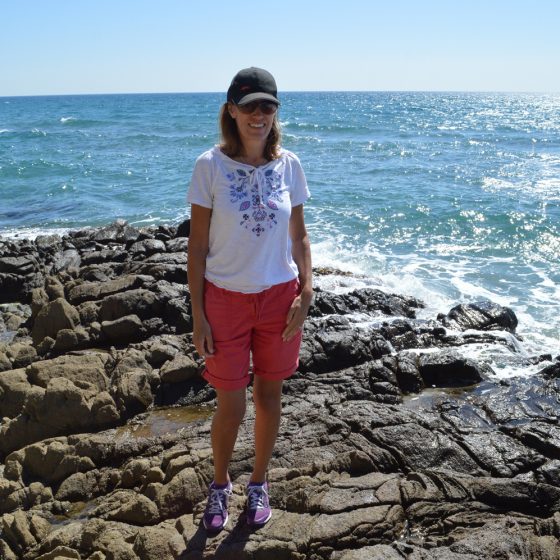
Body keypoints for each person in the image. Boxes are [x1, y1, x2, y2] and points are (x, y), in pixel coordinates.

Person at [187, 67, 312, 531]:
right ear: (231, 111)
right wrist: (198, 314)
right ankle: (220, 487)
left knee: (269, 396)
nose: (259, 115)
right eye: (250, 106)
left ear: (275, 112)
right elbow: (196, 247)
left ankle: (258, 483)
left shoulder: (290, 165)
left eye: (268, 106)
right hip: (224, 300)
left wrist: (308, 289)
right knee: (231, 405)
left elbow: (300, 238)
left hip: (280, 298)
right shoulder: (210, 166)